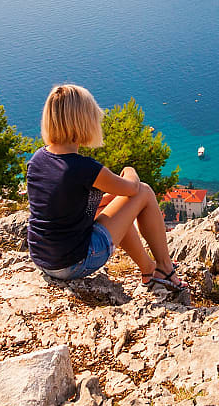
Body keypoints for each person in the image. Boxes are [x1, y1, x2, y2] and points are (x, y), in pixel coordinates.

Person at [26, 83, 184, 290]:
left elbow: (66, 205)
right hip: (73, 264)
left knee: (107, 205)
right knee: (144, 191)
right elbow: (133, 189)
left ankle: (148, 268)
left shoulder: (38, 159)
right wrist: (129, 169)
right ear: (83, 122)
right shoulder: (84, 168)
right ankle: (164, 267)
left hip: (42, 258)